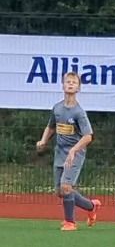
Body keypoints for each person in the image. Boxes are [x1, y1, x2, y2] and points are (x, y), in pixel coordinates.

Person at [35, 72, 100, 231]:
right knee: (60, 191)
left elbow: (88, 136)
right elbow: (51, 127)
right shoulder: (57, 108)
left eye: (74, 82)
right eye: (68, 81)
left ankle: (70, 222)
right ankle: (91, 206)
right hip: (60, 153)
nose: (70, 84)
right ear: (63, 85)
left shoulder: (79, 112)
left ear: (78, 88)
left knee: (66, 187)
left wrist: (74, 150)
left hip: (75, 154)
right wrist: (43, 141)